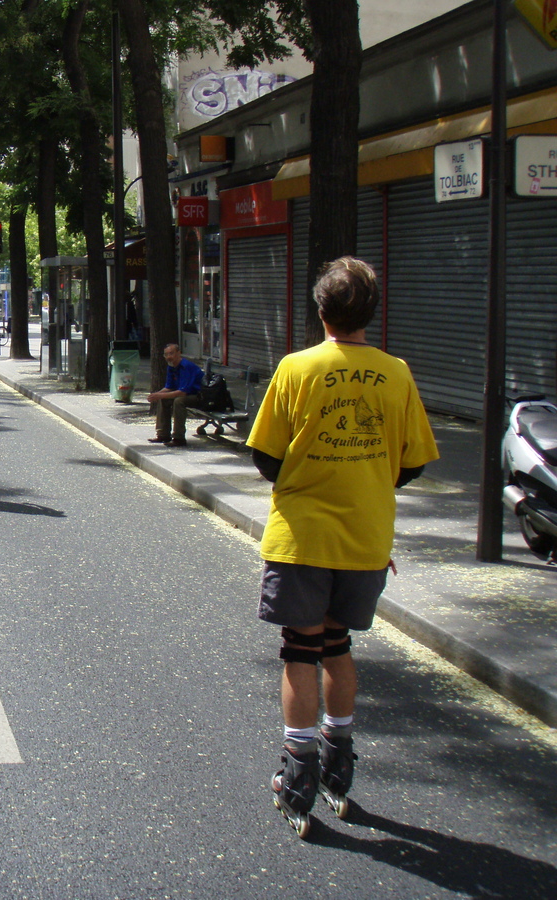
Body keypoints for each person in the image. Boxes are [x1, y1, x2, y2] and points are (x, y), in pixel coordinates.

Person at [247, 256, 439, 833]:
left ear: (321, 309)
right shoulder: (397, 374)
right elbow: (412, 466)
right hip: (365, 537)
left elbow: (265, 458)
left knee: (299, 649)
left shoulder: (296, 368)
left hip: (303, 536)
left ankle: (298, 767)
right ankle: (338, 758)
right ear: (370, 313)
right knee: (337, 644)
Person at [146, 343, 203, 446]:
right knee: (163, 399)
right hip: (185, 393)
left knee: (179, 401)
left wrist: (160, 395)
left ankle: (179, 437)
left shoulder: (186, 367)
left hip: (198, 395)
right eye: (166, 354)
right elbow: (169, 387)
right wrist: (156, 394)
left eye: (171, 354)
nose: (169, 357)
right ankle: (163, 434)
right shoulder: (171, 367)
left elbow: (183, 392)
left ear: (179, 353)